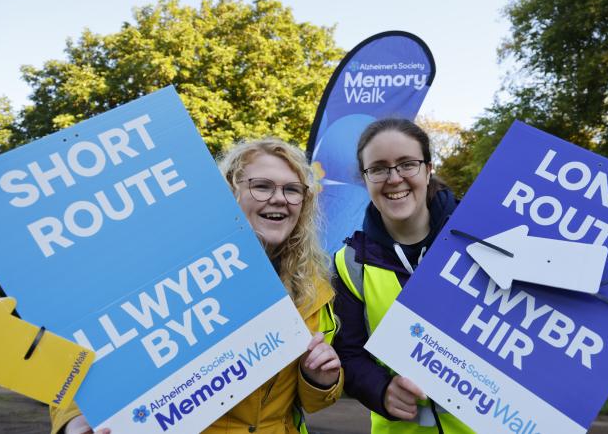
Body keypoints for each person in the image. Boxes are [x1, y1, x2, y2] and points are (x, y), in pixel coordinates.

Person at [51, 138, 343, 434]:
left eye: (291, 190)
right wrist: (74, 421)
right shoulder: (169, 270)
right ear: (230, 193)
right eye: (263, 186)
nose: (279, 198)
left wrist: (320, 378)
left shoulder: (312, 289)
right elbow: (90, 358)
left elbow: (311, 401)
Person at [332, 118, 475, 433]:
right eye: (379, 168)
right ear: (365, 178)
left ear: (428, 168)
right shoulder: (350, 263)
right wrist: (382, 390)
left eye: (407, 164)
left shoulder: (480, 240)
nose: (394, 178)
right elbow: (349, 354)